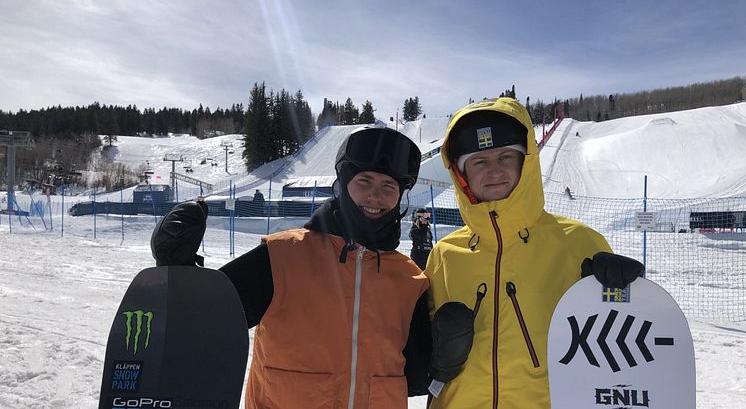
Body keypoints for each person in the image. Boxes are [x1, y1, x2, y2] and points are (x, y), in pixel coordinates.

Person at [151, 126, 432, 408]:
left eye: (389, 186)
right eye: (364, 181)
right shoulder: (282, 256)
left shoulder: (409, 280)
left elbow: (418, 376)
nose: (375, 196)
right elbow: (207, 319)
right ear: (344, 182)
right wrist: (178, 269)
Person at [424, 97, 643, 409]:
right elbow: (417, 349)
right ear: (463, 174)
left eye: (505, 157)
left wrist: (632, 290)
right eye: (479, 162)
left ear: (525, 162)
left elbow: (622, 328)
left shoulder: (578, 242)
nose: (494, 171)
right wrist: (438, 360)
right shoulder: (443, 254)